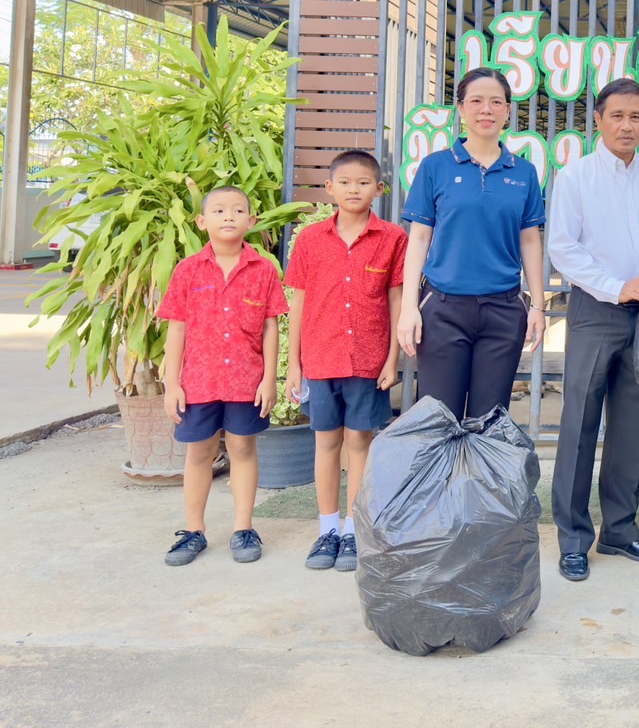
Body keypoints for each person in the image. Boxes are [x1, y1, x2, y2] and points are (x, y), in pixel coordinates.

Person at [547, 79, 639, 582]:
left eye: (638, 117)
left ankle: (620, 530)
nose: (628, 125)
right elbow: (563, 247)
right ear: (599, 120)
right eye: (618, 116)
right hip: (595, 310)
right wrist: (613, 286)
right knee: (579, 424)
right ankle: (573, 538)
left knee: (631, 425)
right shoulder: (576, 177)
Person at [397, 67, 547, 419]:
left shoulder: (523, 172)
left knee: (489, 421)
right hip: (443, 309)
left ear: (508, 111)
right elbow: (418, 239)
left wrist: (538, 306)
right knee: (438, 418)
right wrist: (408, 308)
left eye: (496, 102)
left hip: (503, 310)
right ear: (461, 110)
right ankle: (440, 478)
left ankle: (481, 478)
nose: (486, 110)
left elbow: (530, 241)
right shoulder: (435, 167)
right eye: (476, 101)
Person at [285, 150, 407, 574]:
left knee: (360, 443)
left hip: (368, 361)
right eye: (346, 182)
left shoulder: (393, 238)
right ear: (330, 188)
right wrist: (294, 364)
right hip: (320, 358)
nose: (354, 189)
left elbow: (395, 302)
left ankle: (355, 531)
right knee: (325, 442)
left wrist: (392, 358)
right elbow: (297, 300)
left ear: (378, 189)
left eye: (363, 182)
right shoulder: (310, 239)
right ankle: (327, 530)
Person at [158, 186, 289, 566]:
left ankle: (243, 527)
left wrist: (268, 380)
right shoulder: (188, 270)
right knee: (199, 452)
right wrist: (172, 384)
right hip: (198, 381)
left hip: (246, 381)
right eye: (218, 210)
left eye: (237, 211)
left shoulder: (264, 270)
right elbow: (177, 330)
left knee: (243, 449)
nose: (228, 217)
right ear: (202, 222)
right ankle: (194, 530)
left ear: (251, 221)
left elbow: (270, 328)